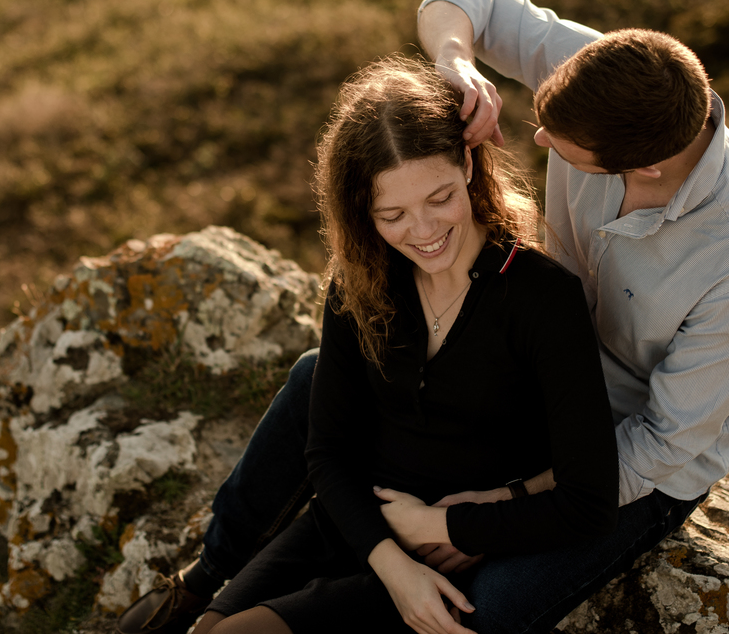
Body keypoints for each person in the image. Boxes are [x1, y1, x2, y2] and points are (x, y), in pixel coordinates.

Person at [115, 0, 729, 634]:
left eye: (565, 149)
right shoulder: (609, 84)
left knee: (483, 607)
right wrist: (456, 65)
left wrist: (504, 502)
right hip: (528, 376)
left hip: (632, 443)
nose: (536, 142)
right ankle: (205, 579)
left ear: (642, 167)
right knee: (316, 377)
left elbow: (662, 443)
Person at [189, 55, 619, 634]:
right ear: (362, 211)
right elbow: (327, 452)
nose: (423, 231)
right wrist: (391, 563)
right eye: (392, 213)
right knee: (211, 631)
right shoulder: (362, 280)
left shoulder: (543, 297)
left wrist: (460, 529)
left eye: (439, 198)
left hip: (451, 556)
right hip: (356, 526)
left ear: (468, 163)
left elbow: (589, 499)